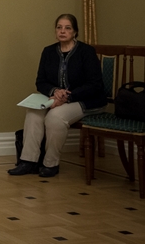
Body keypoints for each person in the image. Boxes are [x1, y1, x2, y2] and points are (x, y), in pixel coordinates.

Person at [9, 14, 105, 178]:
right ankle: (28, 161)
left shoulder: (86, 52)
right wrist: (54, 91)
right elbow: (40, 82)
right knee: (33, 113)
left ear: (75, 32)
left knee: (55, 117)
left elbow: (95, 85)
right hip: (56, 98)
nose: (62, 31)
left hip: (86, 100)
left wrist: (67, 96)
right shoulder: (48, 52)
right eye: (59, 27)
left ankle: (50, 163)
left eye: (67, 28)